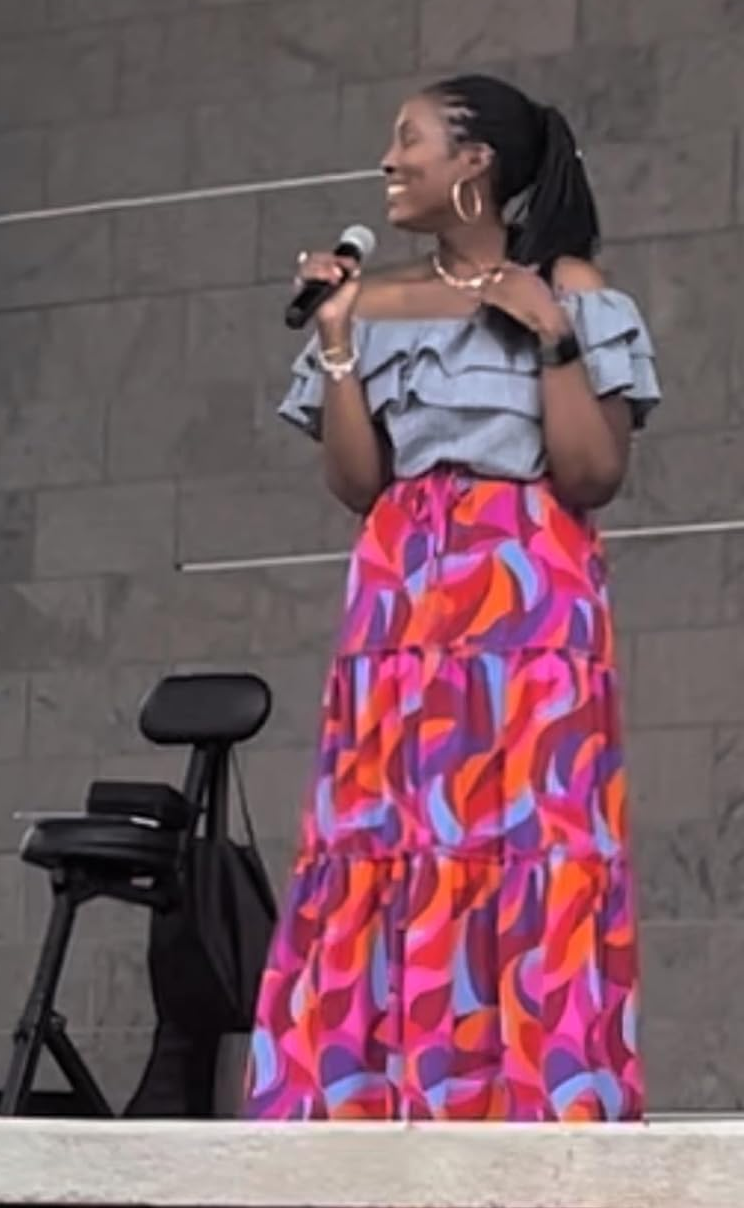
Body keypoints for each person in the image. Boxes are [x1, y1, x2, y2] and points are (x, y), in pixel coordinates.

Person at [244, 73, 660, 1122]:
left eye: (410, 140)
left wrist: (550, 336)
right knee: (383, 834)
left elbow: (594, 474)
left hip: (527, 593)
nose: (389, 161)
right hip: (403, 596)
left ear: (475, 163)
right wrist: (337, 342)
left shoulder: (568, 285)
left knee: (530, 837)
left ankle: (529, 1090)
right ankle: (368, 1091)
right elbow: (355, 484)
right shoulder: (377, 302)